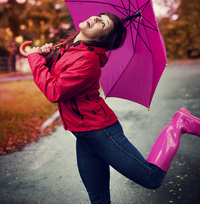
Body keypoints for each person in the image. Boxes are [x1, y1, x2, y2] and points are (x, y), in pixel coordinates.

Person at [27, 12, 200, 204]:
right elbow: (60, 80)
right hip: (83, 135)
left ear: (102, 39)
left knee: (151, 178)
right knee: (99, 199)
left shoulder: (88, 60)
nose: (96, 19)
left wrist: (35, 60)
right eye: (100, 17)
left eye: (103, 24)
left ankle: (179, 124)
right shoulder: (72, 49)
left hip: (101, 132)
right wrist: (49, 59)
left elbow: (55, 92)